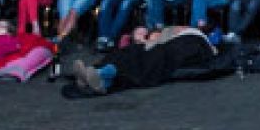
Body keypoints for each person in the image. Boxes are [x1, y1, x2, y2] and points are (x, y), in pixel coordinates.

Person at [71, 25, 216, 96]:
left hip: (190, 45)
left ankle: (102, 75)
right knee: (135, 55)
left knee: (146, 55)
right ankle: (99, 76)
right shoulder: (164, 38)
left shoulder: (172, 33)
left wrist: (147, 41)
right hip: (185, 47)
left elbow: (158, 44)